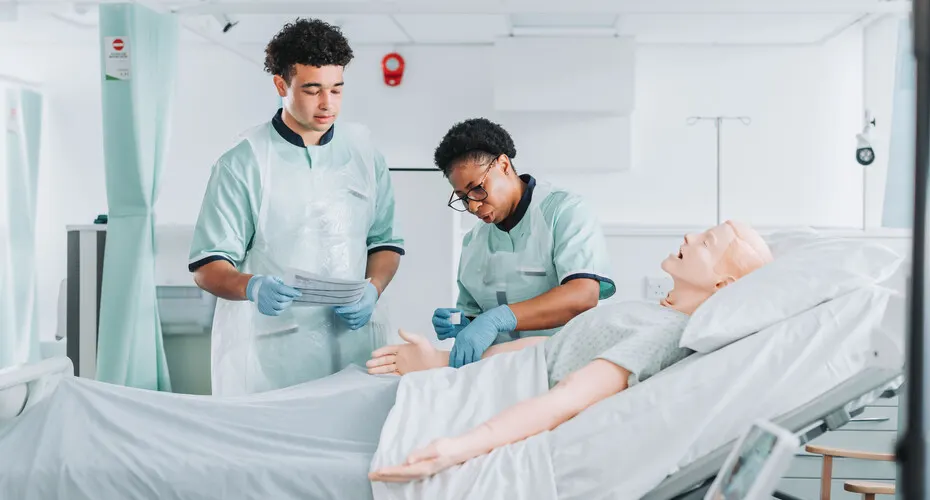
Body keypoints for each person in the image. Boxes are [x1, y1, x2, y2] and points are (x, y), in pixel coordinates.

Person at [367, 220, 774, 482]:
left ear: (722, 286)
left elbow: (567, 396)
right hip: (480, 380)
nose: (689, 236)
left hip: (493, 402)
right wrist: (441, 364)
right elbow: (552, 349)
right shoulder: (649, 312)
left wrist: (455, 449)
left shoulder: (667, 334)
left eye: (707, 242)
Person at [188, 18, 404, 396]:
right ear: (281, 85)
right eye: (312, 90)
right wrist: (252, 287)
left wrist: (375, 286)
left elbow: (385, 242)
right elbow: (208, 266)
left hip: (355, 351)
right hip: (272, 358)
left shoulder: (365, 155)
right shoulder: (244, 163)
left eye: (337, 90)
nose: (327, 104)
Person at [428, 118, 616, 368]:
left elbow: (583, 295)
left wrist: (499, 318)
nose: (472, 206)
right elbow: (475, 315)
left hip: (567, 366)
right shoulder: (474, 242)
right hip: (499, 371)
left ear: (503, 165)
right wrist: (465, 325)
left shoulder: (565, 211)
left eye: (477, 189)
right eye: (463, 198)